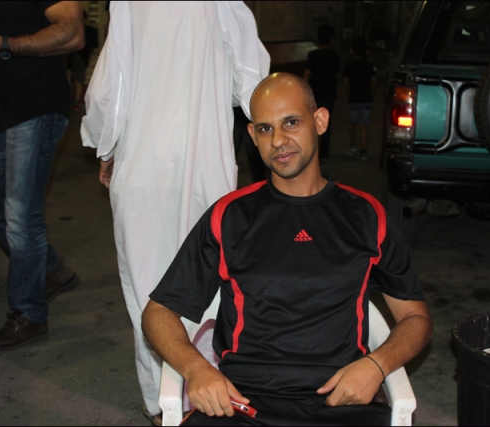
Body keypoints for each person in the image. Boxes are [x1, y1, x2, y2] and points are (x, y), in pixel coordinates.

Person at [142, 73, 432, 426]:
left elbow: (415, 318)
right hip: (241, 404)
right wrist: (196, 368)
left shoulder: (367, 216)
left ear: (320, 121)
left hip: (341, 404)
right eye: (265, 129)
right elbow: (158, 312)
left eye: (291, 122)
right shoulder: (229, 217)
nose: (278, 140)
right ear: (252, 136)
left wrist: (377, 365)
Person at [80, 3, 269, 424]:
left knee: (147, 291)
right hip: (206, 170)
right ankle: (210, 397)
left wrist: (105, 147)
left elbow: (108, 91)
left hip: (142, 170)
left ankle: (162, 406)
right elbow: (254, 81)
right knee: (211, 290)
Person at [0, 1, 83, 351]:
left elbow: (73, 32)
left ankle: (29, 313)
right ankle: (50, 268)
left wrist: (4, 44)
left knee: (21, 215)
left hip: (37, 103)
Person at [303, 24, 340, 162]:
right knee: (326, 123)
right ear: (332, 40)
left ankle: (311, 150)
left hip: (314, 94)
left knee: (311, 122)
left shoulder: (312, 55)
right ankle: (324, 152)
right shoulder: (334, 56)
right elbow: (337, 76)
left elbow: (307, 74)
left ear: (317, 38)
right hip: (329, 93)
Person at [341, 37, 377, 161]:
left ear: (352, 51)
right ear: (367, 52)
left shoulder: (349, 66)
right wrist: (373, 94)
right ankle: (363, 150)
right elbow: (374, 82)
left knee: (352, 123)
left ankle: (352, 146)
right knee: (364, 124)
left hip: (354, 98)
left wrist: (342, 99)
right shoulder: (369, 66)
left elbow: (345, 83)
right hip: (366, 98)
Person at [69, 10, 98, 113]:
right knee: (77, 76)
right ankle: (76, 101)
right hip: (76, 56)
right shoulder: (74, 30)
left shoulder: (89, 31)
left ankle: (77, 101)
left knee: (78, 76)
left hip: (82, 56)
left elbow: (93, 46)